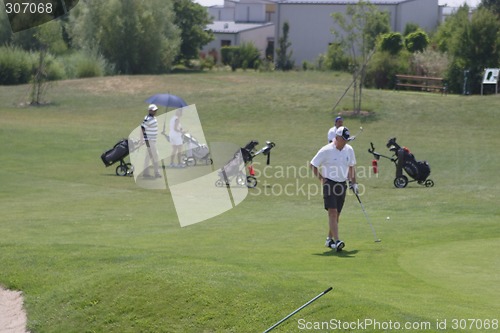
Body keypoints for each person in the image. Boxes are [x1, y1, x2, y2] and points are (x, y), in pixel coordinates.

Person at [310, 126, 359, 252]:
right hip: (329, 183)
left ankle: (329, 240)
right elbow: (313, 165)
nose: (345, 142)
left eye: (346, 139)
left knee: (337, 214)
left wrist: (354, 183)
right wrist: (321, 179)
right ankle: (337, 241)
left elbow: (351, 167)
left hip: (342, 184)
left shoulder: (349, 150)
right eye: (343, 139)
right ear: (336, 138)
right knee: (332, 212)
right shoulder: (326, 150)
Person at [141, 104, 162, 178]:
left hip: (152, 140)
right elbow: (142, 128)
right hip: (150, 140)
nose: (155, 112)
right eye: (153, 110)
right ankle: (157, 173)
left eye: (155, 110)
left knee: (148, 156)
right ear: (150, 111)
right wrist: (142, 139)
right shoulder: (148, 119)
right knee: (155, 156)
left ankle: (146, 172)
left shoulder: (153, 118)